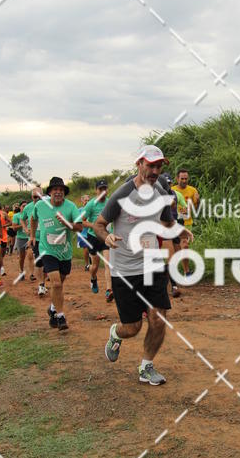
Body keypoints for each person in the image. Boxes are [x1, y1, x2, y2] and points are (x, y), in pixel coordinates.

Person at [93, 145, 191, 386]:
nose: (155, 170)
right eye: (150, 165)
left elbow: (167, 223)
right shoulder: (122, 194)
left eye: (159, 166)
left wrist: (180, 230)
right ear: (139, 164)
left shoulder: (161, 192)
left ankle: (146, 366)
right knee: (133, 326)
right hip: (125, 269)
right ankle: (116, 333)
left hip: (153, 264)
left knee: (159, 318)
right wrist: (105, 236)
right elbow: (98, 224)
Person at [29, 177, 83, 331]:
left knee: (60, 282)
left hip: (65, 252)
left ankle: (53, 308)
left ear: (64, 193)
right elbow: (33, 219)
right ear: (50, 193)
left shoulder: (70, 206)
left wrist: (67, 223)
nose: (58, 192)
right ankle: (60, 316)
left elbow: (79, 227)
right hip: (47, 250)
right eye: (55, 190)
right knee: (56, 283)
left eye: (61, 190)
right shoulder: (40, 205)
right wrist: (32, 236)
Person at [82, 180, 113, 301]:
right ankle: (93, 278)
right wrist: (94, 226)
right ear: (96, 190)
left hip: (105, 236)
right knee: (95, 265)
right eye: (100, 189)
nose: (103, 192)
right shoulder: (91, 204)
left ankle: (108, 290)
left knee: (108, 264)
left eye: (105, 189)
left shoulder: (110, 202)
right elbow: (82, 221)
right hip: (93, 237)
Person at [172, 168, 199, 277]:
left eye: (186, 179)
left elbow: (196, 210)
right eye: (182, 178)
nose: (184, 180)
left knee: (185, 246)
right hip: (174, 222)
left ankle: (186, 272)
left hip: (187, 223)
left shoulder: (193, 190)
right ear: (177, 178)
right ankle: (175, 271)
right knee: (177, 248)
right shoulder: (171, 190)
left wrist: (198, 201)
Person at [22, 188, 47, 295]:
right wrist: (26, 229)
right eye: (34, 197)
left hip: (48, 238)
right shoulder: (28, 207)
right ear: (32, 197)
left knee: (48, 261)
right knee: (39, 260)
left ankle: (44, 282)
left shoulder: (48, 205)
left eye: (39, 196)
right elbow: (22, 218)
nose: (37, 199)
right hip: (35, 238)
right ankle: (41, 285)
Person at [11, 201, 30, 280]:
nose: (25, 207)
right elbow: (14, 228)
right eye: (23, 206)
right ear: (20, 207)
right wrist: (23, 224)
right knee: (22, 257)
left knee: (31, 255)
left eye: (26, 206)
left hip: (29, 237)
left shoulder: (31, 215)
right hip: (20, 238)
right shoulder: (16, 215)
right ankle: (21, 271)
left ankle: (32, 274)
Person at [76, 194, 92, 271]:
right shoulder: (79, 210)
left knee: (91, 249)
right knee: (85, 249)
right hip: (82, 233)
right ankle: (87, 264)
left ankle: (92, 263)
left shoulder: (92, 210)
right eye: (86, 200)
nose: (87, 202)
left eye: (88, 200)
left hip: (91, 233)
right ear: (82, 201)